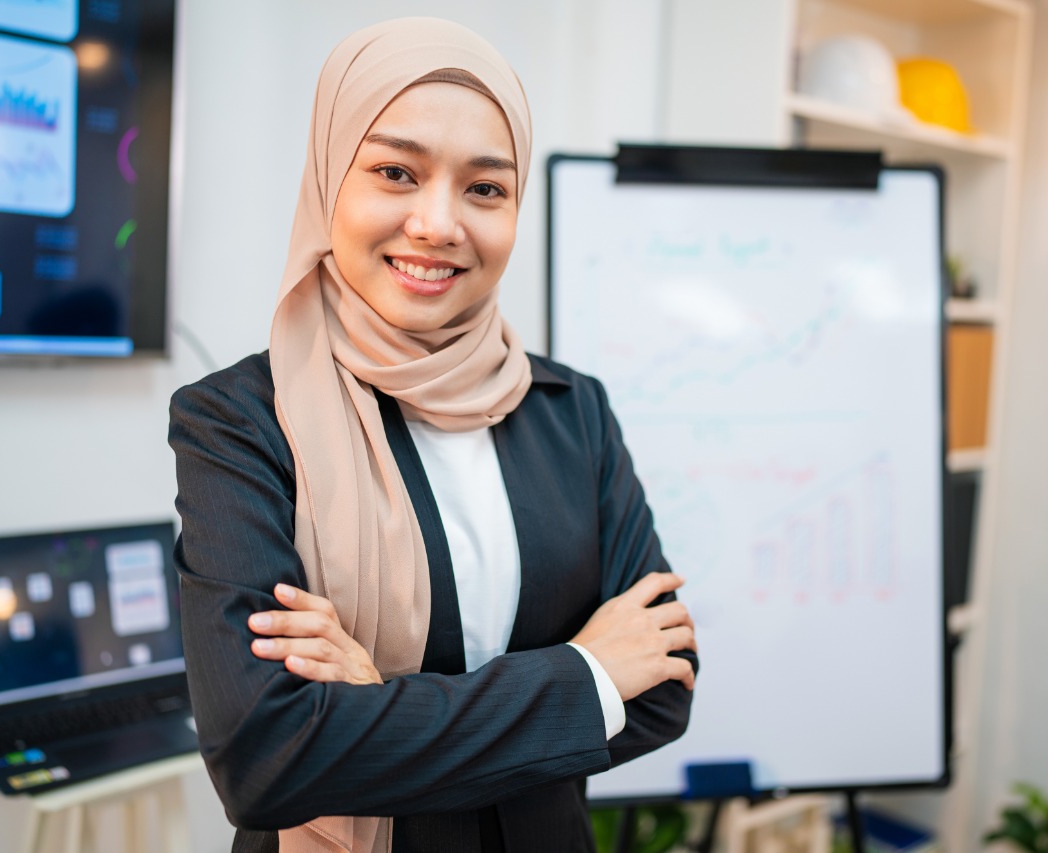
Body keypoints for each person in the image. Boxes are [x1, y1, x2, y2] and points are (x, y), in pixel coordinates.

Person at [168, 17, 697, 853]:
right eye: (394, 172)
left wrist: (374, 697)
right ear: (328, 180)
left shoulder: (572, 411)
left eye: (485, 188)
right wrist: (587, 675)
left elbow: (664, 689)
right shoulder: (240, 419)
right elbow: (263, 757)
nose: (438, 223)